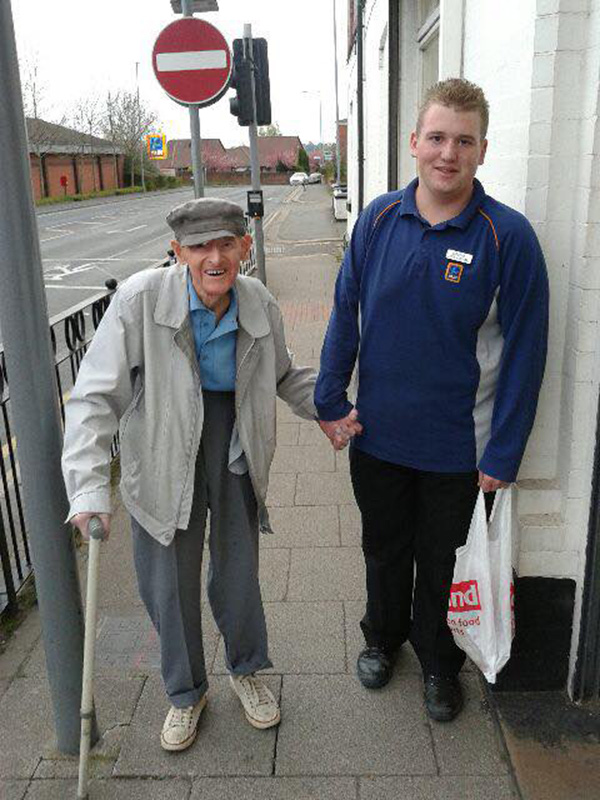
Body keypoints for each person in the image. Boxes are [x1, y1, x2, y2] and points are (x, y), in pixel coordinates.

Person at [315, 78, 549, 721]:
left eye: (464, 141)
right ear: (414, 142)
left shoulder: (508, 238)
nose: (449, 152)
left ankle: (440, 664)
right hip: (378, 436)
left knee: (443, 564)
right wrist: (330, 402)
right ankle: (381, 640)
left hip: (460, 449)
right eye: (438, 137)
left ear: (481, 151)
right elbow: (345, 313)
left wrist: (504, 451)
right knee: (384, 548)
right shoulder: (379, 219)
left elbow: (528, 353)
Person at [62, 198, 318, 751]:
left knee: (238, 569)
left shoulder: (258, 301)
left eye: (226, 244)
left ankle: (246, 669)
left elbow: (285, 375)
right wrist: (87, 488)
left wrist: (337, 411)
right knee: (166, 583)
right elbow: (94, 399)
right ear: (177, 252)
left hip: (232, 443)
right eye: (199, 247)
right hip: (159, 444)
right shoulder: (138, 301)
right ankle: (186, 692)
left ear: (245, 248)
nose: (214, 258)